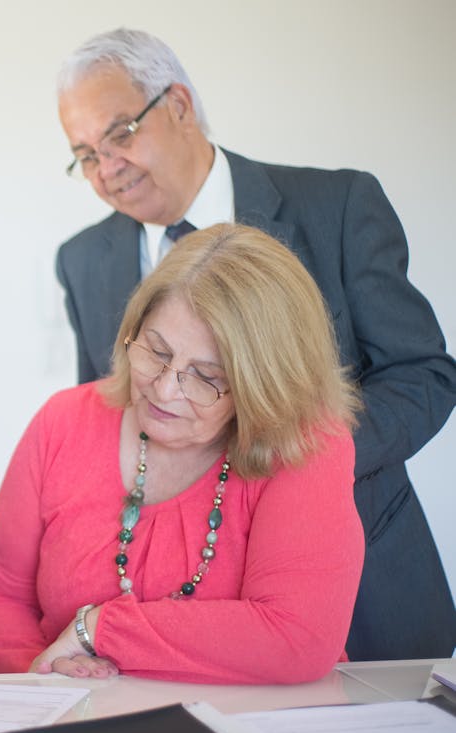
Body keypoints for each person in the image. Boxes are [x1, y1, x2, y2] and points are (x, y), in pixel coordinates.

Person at [53, 28, 456, 661]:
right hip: (176, 623)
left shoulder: (339, 205)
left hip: (366, 600)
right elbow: (106, 425)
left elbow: (422, 374)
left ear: (179, 105)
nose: (106, 169)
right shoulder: (84, 262)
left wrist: (305, 468)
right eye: (84, 154)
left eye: (120, 135)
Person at [0, 223, 365, 683]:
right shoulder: (64, 421)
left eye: (205, 376)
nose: (163, 389)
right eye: (156, 351)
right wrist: (47, 681)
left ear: (264, 386)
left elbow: (296, 638)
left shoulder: (307, 443)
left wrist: (99, 629)